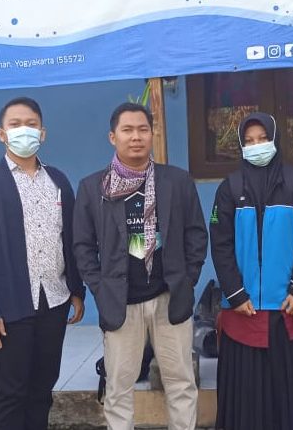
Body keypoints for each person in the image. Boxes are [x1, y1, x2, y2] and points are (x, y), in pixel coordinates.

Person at [73, 102, 208, 430]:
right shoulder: (94, 188)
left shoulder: (176, 181)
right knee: (119, 386)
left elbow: (195, 234)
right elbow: (82, 246)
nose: (136, 137)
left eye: (143, 129)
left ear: (152, 133)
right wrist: (100, 288)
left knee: (180, 382)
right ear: (112, 136)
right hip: (121, 301)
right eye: (127, 130)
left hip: (169, 296)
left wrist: (187, 279)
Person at [0, 97, 85, 430]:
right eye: (15, 125)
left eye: (31, 124)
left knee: (42, 390)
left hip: (54, 300)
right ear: (1, 134)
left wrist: (77, 290)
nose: (24, 131)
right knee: (10, 393)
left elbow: (70, 238)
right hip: (9, 309)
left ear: (42, 133)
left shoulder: (58, 181)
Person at [210, 112, 293, 430]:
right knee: (246, 396)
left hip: (290, 307)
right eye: (248, 141)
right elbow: (220, 245)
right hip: (244, 310)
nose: (256, 146)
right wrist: (235, 294)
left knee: (292, 395)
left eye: (262, 139)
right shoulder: (229, 188)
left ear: (275, 140)